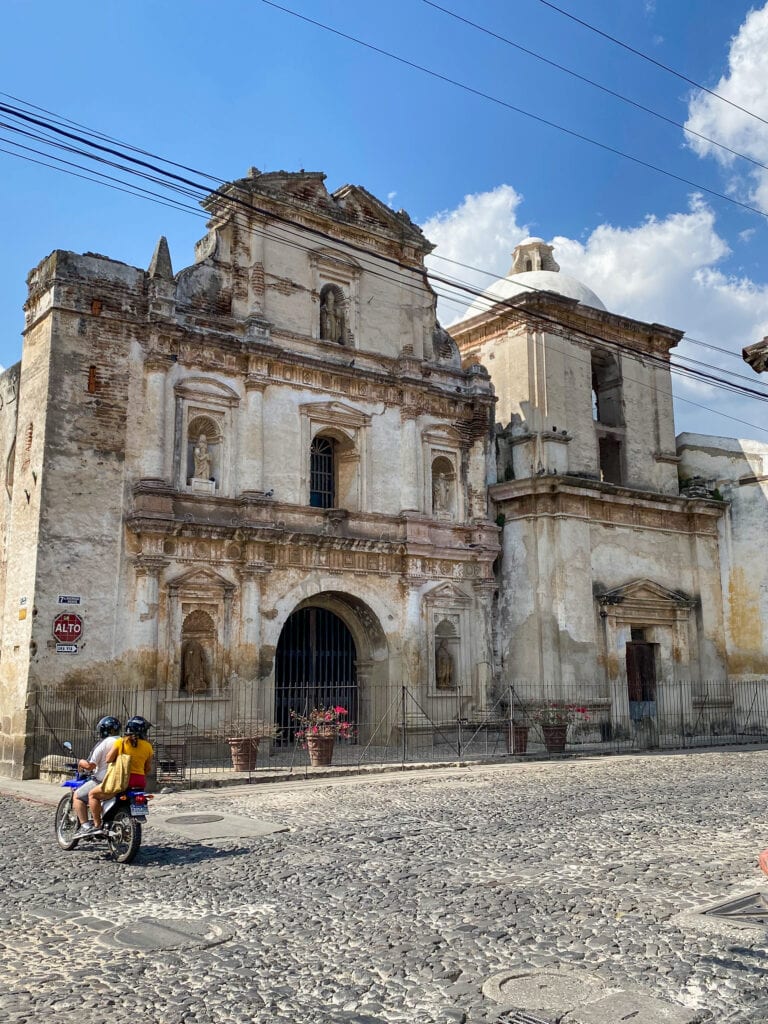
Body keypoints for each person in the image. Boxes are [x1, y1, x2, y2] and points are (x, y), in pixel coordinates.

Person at [87, 716, 154, 834]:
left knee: (92, 794)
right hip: (139, 783)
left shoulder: (120, 742)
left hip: (122, 781)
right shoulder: (148, 746)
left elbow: (108, 759)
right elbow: (147, 768)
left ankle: (97, 825)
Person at [73, 715, 121, 838]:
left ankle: (88, 826)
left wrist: (80, 762)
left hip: (103, 781)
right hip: (122, 781)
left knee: (78, 796)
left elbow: (90, 766)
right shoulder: (124, 741)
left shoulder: (104, 743)